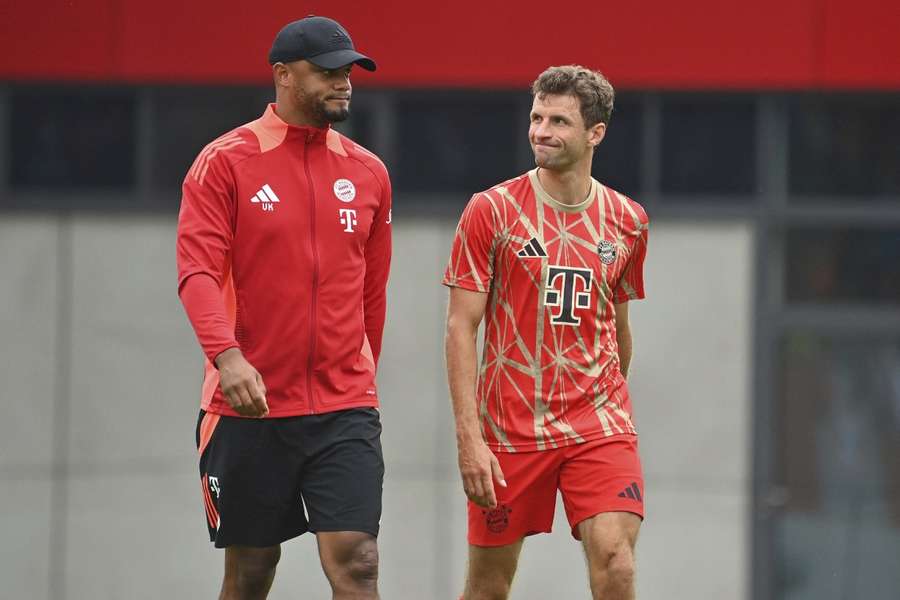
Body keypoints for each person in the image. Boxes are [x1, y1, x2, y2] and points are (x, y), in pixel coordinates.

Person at [176, 16, 391, 600]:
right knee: (252, 571)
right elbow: (195, 272)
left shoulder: (369, 172)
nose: (343, 81)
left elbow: (373, 291)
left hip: (343, 406)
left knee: (358, 562)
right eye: (327, 71)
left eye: (348, 70)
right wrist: (226, 356)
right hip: (250, 406)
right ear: (283, 76)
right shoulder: (225, 162)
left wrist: (363, 370)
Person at [443, 65, 649, 600]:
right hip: (510, 427)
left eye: (559, 121)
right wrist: (470, 438)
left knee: (617, 564)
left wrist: (607, 406)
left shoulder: (628, 220)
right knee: (488, 587)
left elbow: (618, 328)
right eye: (537, 117)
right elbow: (461, 327)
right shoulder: (491, 210)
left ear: (595, 133)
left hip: (597, 420)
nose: (542, 131)